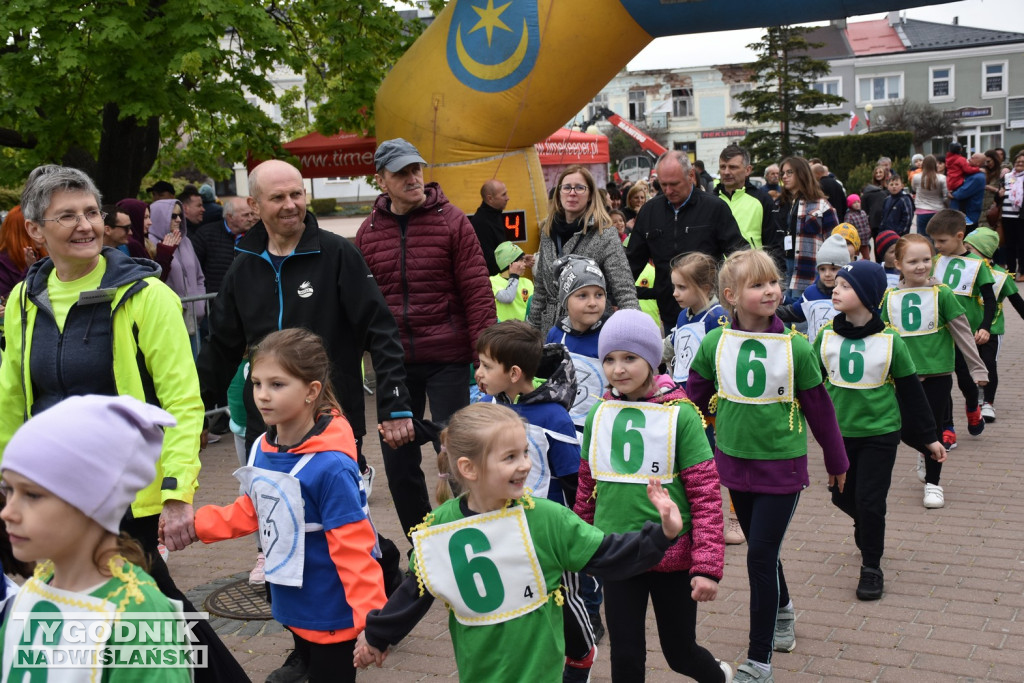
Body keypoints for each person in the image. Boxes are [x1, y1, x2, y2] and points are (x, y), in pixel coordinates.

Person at [0, 165, 245, 681]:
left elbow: (181, 397)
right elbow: (12, 396)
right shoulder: (24, 299)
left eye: (92, 212)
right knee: (121, 606)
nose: (86, 224)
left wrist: (178, 491)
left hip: (124, 490)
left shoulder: (144, 295)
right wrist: (10, 483)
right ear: (37, 231)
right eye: (67, 215)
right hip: (53, 491)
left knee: (151, 604)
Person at [195, 159, 414, 651]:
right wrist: (187, 411)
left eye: (297, 194)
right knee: (281, 532)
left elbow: (379, 329)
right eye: (278, 197)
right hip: (267, 425)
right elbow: (222, 347)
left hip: (327, 422)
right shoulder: (242, 266)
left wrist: (394, 402)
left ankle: (360, 612)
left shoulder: (336, 254)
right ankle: (306, 645)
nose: (292, 204)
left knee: (338, 522)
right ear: (255, 206)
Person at [353, 402, 684, 682]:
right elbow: (417, 590)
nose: (525, 464)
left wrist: (661, 533)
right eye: (509, 457)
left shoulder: (548, 518)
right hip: (478, 668)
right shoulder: (439, 526)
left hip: (540, 669)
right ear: (468, 468)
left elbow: (606, 554)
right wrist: (377, 635)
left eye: (525, 452)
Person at [687, 249, 848, 683]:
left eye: (774, 282)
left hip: (783, 469)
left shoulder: (795, 345)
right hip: (734, 467)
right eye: (758, 285)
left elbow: (819, 407)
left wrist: (837, 460)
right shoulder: (714, 342)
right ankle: (785, 610)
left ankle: (759, 663)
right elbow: (690, 403)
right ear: (730, 296)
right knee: (765, 549)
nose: (771, 290)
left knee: (758, 555)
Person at [193, 329, 387, 683]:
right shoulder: (263, 448)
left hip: (332, 613)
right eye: (257, 384)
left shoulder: (331, 467)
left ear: (312, 391)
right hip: (293, 602)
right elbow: (253, 510)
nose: (263, 396)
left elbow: (355, 551)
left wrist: (370, 624)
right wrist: (197, 526)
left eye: (277, 385)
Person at [573, 309, 731, 683]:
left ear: (652, 359)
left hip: (672, 557)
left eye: (629, 358)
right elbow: (586, 488)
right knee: (625, 659)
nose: (617, 369)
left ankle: (719, 677)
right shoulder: (599, 414)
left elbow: (706, 494)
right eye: (609, 359)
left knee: (680, 653)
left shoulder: (682, 415)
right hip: (618, 552)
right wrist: (574, 544)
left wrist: (707, 566)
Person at [356, 138, 495, 540]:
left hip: (448, 358)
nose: (413, 178)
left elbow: (477, 293)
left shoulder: (452, 221)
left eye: (416, 169)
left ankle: (468, 536)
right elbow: (363, 307)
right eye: (401, 172)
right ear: (381, 179)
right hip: (393, 364)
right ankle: (422, 542)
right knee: (397, 461)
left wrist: (483, 359)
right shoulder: (368, 232)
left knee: (456, 452)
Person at [0, 395, 190, 682]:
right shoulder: (33, 591)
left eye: (32, 494)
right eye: (7, 490)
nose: (7, 512)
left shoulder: (137, 614)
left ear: (93, 503)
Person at [472, 321, 597, 679]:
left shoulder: (551, 414)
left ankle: (581, 656)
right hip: (502, 526)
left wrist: (577, 532)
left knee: (565, 597)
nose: (478, 373)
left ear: (513, 373)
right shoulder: (488, 407)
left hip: (548, 529)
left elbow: (573, 479)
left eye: (485, 366)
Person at [815, 261, 944, 599]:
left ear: (868, 296)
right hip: (840, 435)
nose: (835, 290)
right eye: (836, 285)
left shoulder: (890, 341)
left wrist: (929, 437)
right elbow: (810, 384)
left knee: (871, 501)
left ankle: (871, 566)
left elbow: (912, 393)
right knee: (842, 496)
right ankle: (866, 523)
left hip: (880, 433)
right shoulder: (825, 335)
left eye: (845, 286)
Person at [881, 234, 988, 508]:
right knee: (901, 428)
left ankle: (933, 484)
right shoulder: (890, 297)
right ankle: (926, 448)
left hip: (938, 374)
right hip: (903, 378)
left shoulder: (943, 294)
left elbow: (963, 332)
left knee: (935, 427)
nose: (921, 266)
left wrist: (977, 368)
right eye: (913, 261)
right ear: (898, 263)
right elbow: (880, 337)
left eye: (926, 260)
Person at [627, 151, 746, 332]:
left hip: (711, 313)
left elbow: (738, 254)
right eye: (663, 184)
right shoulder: (649, 212)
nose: (668, 190)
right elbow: (632, 261)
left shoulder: (714, 208)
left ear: (691, 176)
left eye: (674, 184)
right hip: (669, 311)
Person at [528, 164, 638, 333]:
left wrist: (635, 331)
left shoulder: (604, 233)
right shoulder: (548, 231)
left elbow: (624, 289)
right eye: (567, 187)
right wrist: (531, 332)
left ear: (590, 195)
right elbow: (541, 289)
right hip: (552, 330)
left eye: (579, 188)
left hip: (590, 330)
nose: (572, 193)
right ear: (559, 193)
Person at [927, 210, 997, 442]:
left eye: (942, 241)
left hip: (966, 333)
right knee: (942, 381)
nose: (937, 246)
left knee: (966, 381)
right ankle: (948, 428)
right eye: (934, 241)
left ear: (959, 236)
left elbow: (989, 298)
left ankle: (972, 408)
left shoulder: (978, 264)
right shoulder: (936, 262)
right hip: (940, 333)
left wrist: (985, 326)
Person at [545, 257, 610, 430]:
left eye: (599, 295)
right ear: (565, 300)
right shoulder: (556, 334)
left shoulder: (610, 334)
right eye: (582, 295)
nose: (592, 303)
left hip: (602, 426)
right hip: (565, 424)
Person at [149, 198, 206, 356]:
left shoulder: (186, 241)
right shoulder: (151, 243)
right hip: (169, 318)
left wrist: (199, 304)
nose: (179, 219)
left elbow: (199, 277)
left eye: (180, 215)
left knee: (195, 365)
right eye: (173, 216)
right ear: (161, 216)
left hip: (193, 318)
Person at [778, 156, 839, 299]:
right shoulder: (784, 204)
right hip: (787, 268)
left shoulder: (821, 205)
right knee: (786, 316)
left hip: (809, 272)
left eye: (789, 172)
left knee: (803, 318)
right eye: (783, 173)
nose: (784, 177)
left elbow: (835, 242)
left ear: (801, 173)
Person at [715, 145, 783, 266]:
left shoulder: (762, 200)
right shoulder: (711, 199)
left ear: (748, 170)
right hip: (718, 276)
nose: (726, 172)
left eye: (733, 167)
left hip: (752, 272)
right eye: (722, 167)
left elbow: (774, 244)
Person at [777, 234, 850, 344]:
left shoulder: (852, 294)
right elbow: (795, 312)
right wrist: (769, 311)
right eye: (822, 269)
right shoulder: (811, 292)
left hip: (843, 348)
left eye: (833, 269)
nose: (827, 274)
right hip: (816, 350)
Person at [191, 196, 256, 295]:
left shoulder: (256, 236)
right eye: (246, 215)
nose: (251, 218)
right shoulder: (206, 235)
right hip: (216, 300)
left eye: (252, 214)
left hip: (248, 298)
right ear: (230, 217)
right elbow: (195, 270)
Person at [470, 178, 514, 276]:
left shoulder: (495, 215)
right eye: (503, 194)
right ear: (490, 198)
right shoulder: (481, 223)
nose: (507, 198)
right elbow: (490, 260)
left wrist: (519, 258)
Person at [0, 206, 44, 301]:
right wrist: (31, 270)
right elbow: (9, 302)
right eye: (35, 228)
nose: (41, 232)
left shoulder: (44, 254)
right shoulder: (3, 264)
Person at [490, 241, 533, 322]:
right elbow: (507, 297)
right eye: (521, 260)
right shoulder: (492, 281)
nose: (524, 264)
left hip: (524, 331)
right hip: (503, 331)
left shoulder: (527, 282)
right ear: (510, 263)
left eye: (524, 260)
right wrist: (514, 276)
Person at [997, 151, 1024, 277]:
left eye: (1023, 162)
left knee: (1022, 245)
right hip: (1007, 216)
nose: (1020, 164)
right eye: (1018, 161)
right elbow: (998, 195)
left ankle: (1023, 272)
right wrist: (1000, 194)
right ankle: (1011, 271)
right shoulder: (1008, 177)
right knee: (1010, 245)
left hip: (1021, 217)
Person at [911, 155, 948, 235]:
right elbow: (946, 195)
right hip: (937, 210)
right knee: (937, 236)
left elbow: (914, 189)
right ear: (935, 165)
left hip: (921, 210)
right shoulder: (942, 178)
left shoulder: (916, 177)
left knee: (922, 236)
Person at [950, 153, 986, 228]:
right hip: (962, 214)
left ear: (978, 163)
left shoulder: (977, 177)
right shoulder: (970, 174)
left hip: (968, 215)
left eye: (972, 158)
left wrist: (952, 194)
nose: (968, 159)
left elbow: (961, 193)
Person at [860, 165, 889, 235]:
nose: (878, 174)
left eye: (880, 172)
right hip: (874, 220)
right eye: (876, 173)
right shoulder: (869, 189)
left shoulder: (888, 188)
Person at [844, 195, 871, 261]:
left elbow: (867, 224)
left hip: (865, 240)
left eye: (858, 202)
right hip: (855, 242)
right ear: (850, 204)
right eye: (854, 203)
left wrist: (869, 231)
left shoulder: (863, 213)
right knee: (854, 258)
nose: (857, 204)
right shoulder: (849, 216)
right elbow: (848, 229)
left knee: (867, 257)